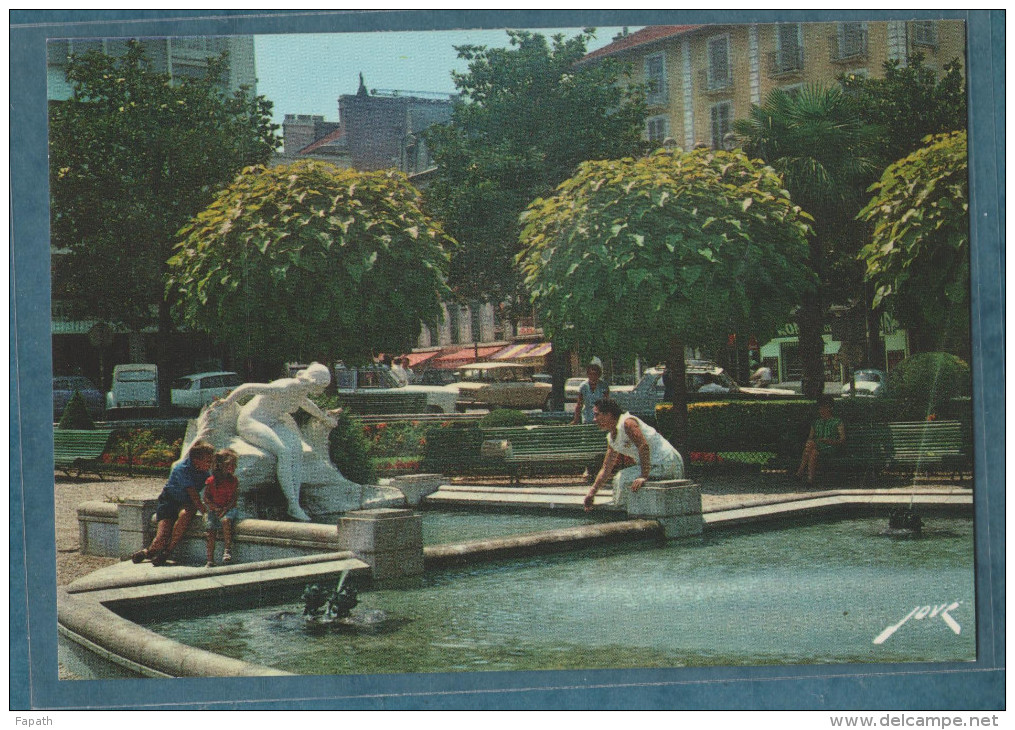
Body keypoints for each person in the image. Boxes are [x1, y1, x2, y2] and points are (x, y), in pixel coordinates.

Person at [213, 362, 339, 522]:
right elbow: (247, 387)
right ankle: (292, 504)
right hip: (251, 421)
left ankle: (295, 502)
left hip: (273, 422)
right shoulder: (285, 386)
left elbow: (306, 404)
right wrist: (227, 403)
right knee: (284, 452)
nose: (322, 391)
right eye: (322, 386)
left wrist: (324, 418)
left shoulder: (301, 390)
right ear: (314, 382)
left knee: (298, 450)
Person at [584, 398, 684, 512]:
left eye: (597, 415)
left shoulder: (627, 423)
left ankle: (622, 516)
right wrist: (592, 493)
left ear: (609, 414)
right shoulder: (612, 439)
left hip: (667, 462)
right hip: (655, 466)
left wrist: (643, 476)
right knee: (622, 478)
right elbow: (606, 468)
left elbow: (643, 446)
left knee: (622, 478)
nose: (594, 419)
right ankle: (624, 514)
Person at [131, 439, 215, 566]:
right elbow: (193, 493)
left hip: (186, 502)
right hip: (169, 501)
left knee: (186, 515)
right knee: (161, 538)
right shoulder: (182, 469)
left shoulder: (204, 472)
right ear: (196, 460)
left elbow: (209, 491)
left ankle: (166, 552)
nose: (211, 464)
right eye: (208, 461)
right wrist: (204, 512)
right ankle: (148, 552)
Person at [795, 395, 846, 485]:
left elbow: (842, 440)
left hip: (831, 447)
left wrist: (830, 441)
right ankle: (810, 480)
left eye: (824, 408)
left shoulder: (837, 422)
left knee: (811, 446)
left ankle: (800, 472)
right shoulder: (816, 422)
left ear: (830, 409)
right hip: (817, 447)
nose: (821, 411)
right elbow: (810, 438)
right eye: (820, 408)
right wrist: (816, 441)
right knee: (813, 451)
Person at [203, 448, 240, 567]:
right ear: (222, 466)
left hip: (229, 508)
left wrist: (225, 509)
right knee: (210, 531)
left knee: (226, 520)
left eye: (235, 465)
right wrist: (214, 508)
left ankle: (227, 550)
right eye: (231, 465)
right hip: (215, 509)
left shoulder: (233, 480)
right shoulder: (211, 481)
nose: (234, 468)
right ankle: (210, 559)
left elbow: (234, 499)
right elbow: (206, 498)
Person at [571, 356, 610, 425]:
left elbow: (606, 404)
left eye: (595, 374)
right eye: (591, 374)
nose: (593, 377)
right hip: (587, 418)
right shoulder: (583, 386)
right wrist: (575, 420)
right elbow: (579, 404)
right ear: (588, 375)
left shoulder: (604, 386)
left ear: (599, 375)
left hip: (601, 420)